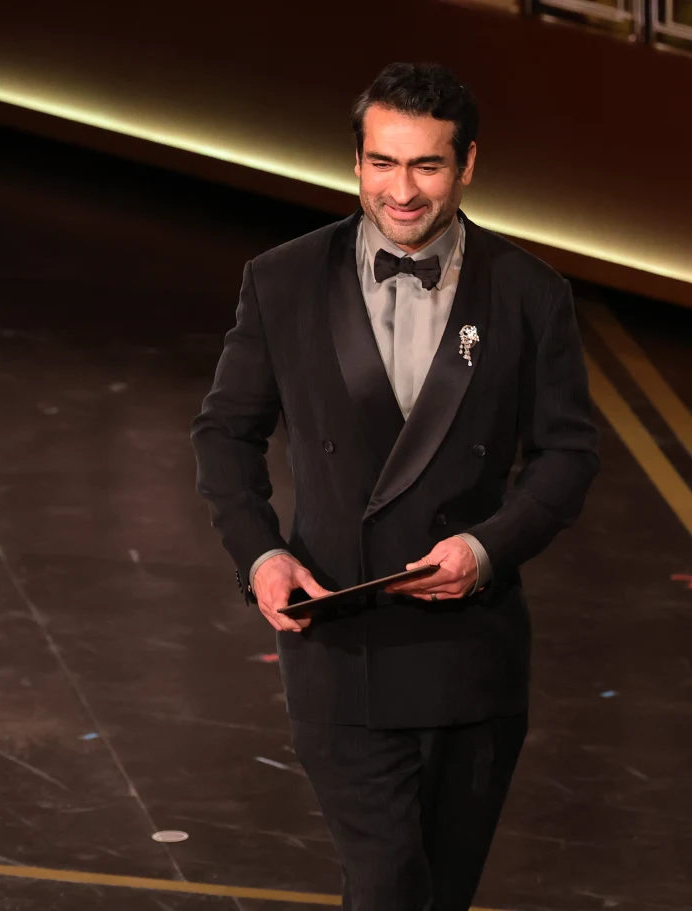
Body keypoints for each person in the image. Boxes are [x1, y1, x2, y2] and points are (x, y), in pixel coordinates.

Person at [190, 61, 599, 911]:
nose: (401, 191)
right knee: (386, 886)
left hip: (472, 656)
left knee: (438, 896)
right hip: (340, 644)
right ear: (356, 161)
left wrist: (486, 548)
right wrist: (261, 555)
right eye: (382, 162)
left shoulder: (529, 294)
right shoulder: (283, 280)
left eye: (426, 165)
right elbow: (225, 434)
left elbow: (567, 454)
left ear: (468, 164)